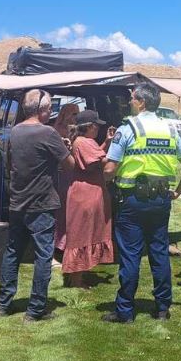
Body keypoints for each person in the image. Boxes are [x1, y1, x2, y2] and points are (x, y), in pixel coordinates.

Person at [103, 83, 181, 322]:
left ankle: (125, 311)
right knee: (159, 252)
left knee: (131, 255)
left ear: (141, 102)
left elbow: (110, 169)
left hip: (132, 200)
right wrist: (178, 191)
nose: (130, 102)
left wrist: (106, 178)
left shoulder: (128, 128)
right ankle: (163, 307)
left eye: (133, 99)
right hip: (161, 199)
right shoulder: (170, 130)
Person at [0, 89, 74, 322]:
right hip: (41, 203)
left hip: (18, 202)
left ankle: (4, 304)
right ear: (41, 110)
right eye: (50, 108)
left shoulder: (15, 132)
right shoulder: (48, 133)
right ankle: (36, 309)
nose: (51, 112)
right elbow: (69, 165)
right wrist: (66, 147)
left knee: (13, 252)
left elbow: (12, 162)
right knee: (43, 256)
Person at [61, 109, 115, 287]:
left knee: (83, 233)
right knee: (82, 235)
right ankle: (76, 279)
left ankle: (76, 275)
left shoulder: (81, 141)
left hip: (84, 192)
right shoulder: (86, 142)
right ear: (91, 126)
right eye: (97, 126)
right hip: (87, 194)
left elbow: (93, 156)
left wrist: (107, 142)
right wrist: (119, 155)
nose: (98, 129)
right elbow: (100, 161)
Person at [52, 102, 80, 258]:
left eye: (78, 113)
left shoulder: (78, 131)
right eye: (74, 113)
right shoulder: (56, 131)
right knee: (61, 209)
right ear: (65, 114)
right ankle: (59, 243)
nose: (77, 117)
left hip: (74, 173)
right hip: (60, 173)